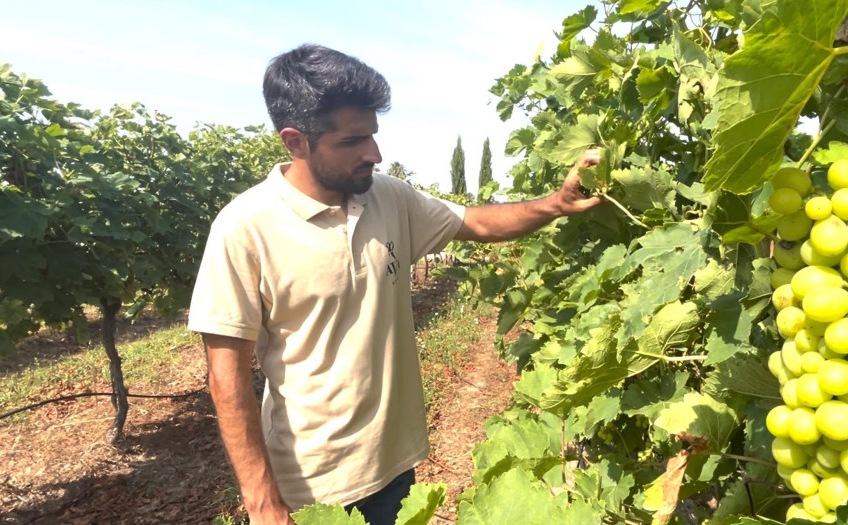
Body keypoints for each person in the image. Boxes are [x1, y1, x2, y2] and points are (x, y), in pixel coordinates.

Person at [187, 44, 601, 525]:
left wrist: (555, 204)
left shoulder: (389, 197)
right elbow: (226, 375)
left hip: (395, 464)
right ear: (295, 141)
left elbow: (478, 222)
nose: (374, 153)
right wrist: (262, 502)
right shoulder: (244, 228)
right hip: (312, 489)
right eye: (352, 141)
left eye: (374, 136)